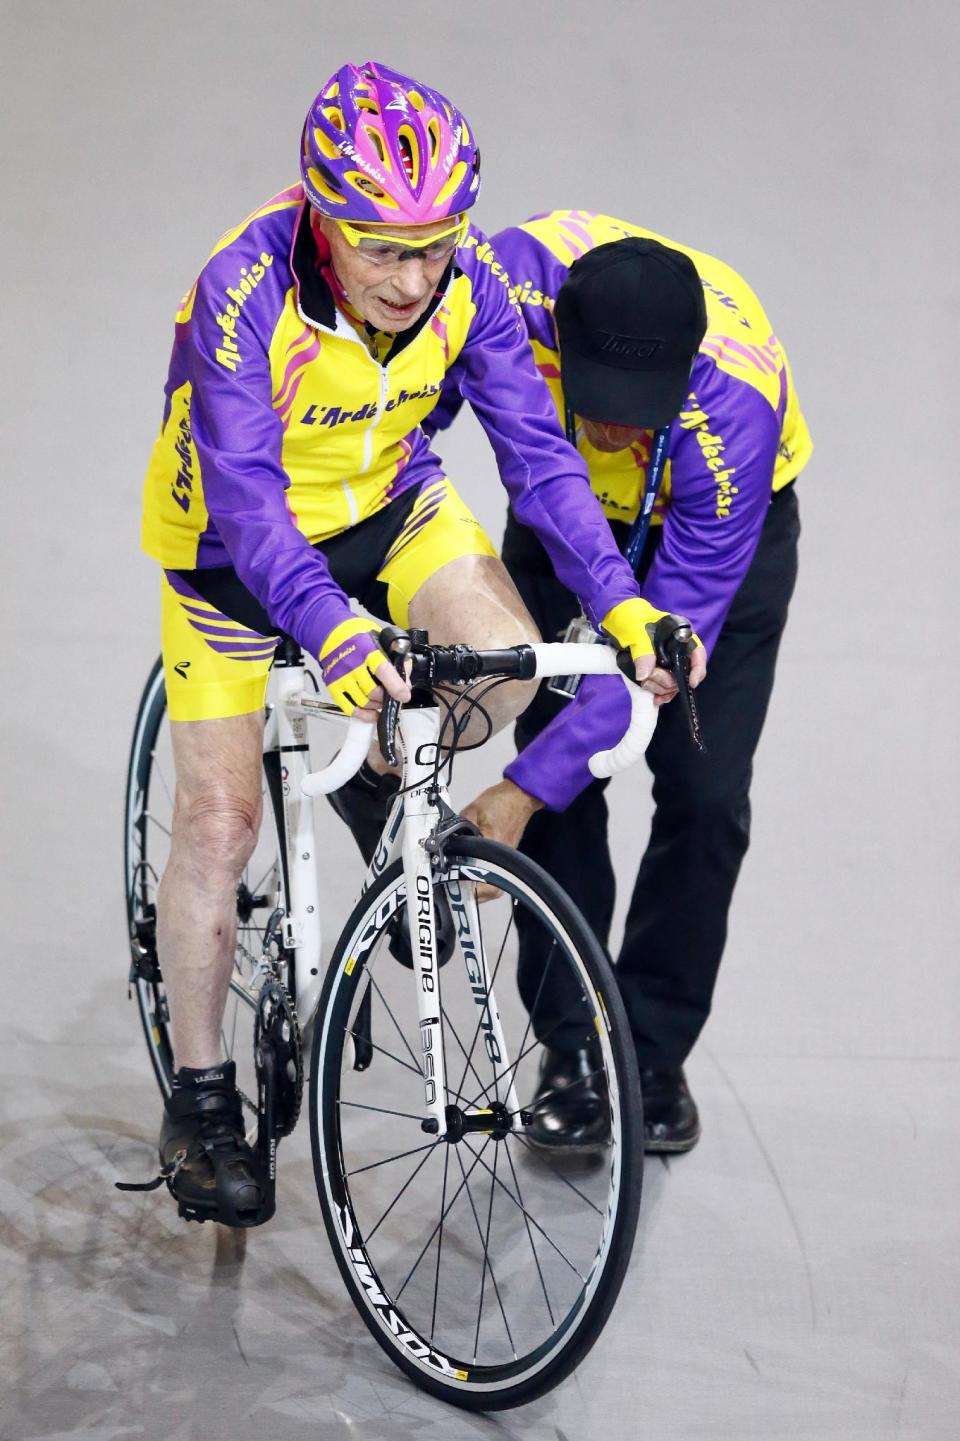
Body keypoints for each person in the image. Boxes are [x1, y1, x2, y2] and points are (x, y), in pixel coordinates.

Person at [140, 78, 694, 1224]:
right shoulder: (239, 293)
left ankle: (381, 780)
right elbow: (246, 502)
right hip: (237, 548)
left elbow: (539, 461)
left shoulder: (470, 283)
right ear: (325, 220)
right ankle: (199, 1105)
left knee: (504, 659)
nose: (412, 280)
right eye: (384, 251)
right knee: (216, 822)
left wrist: (625, 603)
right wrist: (330, 627)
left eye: (434, 249)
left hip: (391, 499)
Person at [435, 211, 812, 1153]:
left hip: (713, 535)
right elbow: (412, 398)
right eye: (598, 394)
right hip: (568, 524)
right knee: (563, 781)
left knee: (705, 792)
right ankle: (568, 1049)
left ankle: (648, 1052)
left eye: (638, 403)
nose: (611, 422)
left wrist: (515, 796)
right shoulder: (504, 285)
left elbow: (650, 675)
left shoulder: (735, 408)